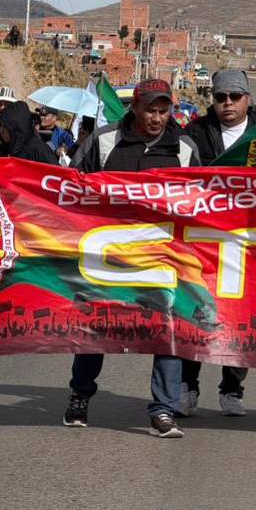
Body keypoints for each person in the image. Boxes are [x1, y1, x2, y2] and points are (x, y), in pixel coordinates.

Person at [64, 78, 200, 439]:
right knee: (97, 326)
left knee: (168, 330)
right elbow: (73, 184)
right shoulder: (105, 140)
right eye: (150, 110)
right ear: (134, 108)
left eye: (163, 110)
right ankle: (80, 394)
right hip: (109, 253)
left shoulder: (185, 148)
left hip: (162, 257)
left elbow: (201, 200)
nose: (156, 118)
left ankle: (163, 409)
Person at [180, 68, 256, 418]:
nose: (227, 103)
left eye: (234, 96)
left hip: (250, 241)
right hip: (203, 241)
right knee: (196, 313)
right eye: (220, 98)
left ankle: (232, 388)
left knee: (240, 316)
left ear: (248, 98)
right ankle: (188, 386)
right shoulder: (193, 135)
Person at [0, 100, 57, 164]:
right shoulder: (4, 148)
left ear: (14, 128)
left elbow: (57, 173)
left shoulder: (39, 152)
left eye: (4, 127)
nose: (0, 130)